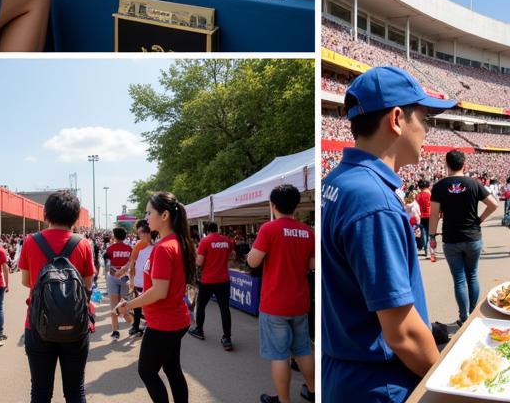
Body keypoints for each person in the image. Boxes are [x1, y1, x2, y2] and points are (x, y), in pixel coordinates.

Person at [321, 66, 457, 402]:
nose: (428, 129)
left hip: (346, 368)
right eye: (425, 118)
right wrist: (448, 386)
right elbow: (403, 333)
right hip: (378, 382)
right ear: (397, 118)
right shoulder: (373, 200)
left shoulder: (336, 182)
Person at [18, 190, 95, 403]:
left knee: (41, 392)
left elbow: (26, 281)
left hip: (37, 323)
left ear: (46, 214)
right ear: (74, 216)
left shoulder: (31, 241)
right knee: (75, 390)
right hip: (76, 324)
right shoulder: (83, 244)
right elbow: (88, 284)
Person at [119, 191, 195, 403]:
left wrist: (129, 304)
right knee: (172, 369)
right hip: (174, 319)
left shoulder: (164, 247)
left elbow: (159, 291)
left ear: (164, 216)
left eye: (149, 212)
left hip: (164, 323)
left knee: (147, 371)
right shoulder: (176, 242)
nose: (146, 217)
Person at [247, 184, 316, 403]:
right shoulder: (307, 231)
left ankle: (284, 400)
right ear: (296, 206)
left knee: (279, 355)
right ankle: (314, 392)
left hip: (275, 302)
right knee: (303, 349)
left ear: (273, 205)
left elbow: (253, 260)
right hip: (299, 300)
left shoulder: (269, 229)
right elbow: (312, 265)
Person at [429, 150, 498, 322]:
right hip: (473, 237)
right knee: (472, 275)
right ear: (464, 164)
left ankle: (463, 316)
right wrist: (479, 219)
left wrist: (431, 236)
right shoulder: (474, 184)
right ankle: (473, 314)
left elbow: (434, 215)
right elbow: (494, 204)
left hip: (451, 239)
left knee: (459, 280)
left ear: (447, 164)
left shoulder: (439, 186)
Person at [189, 221, 234, 348]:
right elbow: (231, 255)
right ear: (217, 229)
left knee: (201, 306)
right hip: (224, 279)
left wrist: (196, 254)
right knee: (224, 309)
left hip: (208, 280)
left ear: (206, 230)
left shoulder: (205, 241)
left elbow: (199, 262)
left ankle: (199, 330)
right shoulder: (227, 241)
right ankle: (227, 338)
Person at [105, 226, 134, 342]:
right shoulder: (130, 248)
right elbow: (132, 265)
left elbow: (107, 265)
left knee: (113, 305)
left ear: (115, 236)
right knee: (123, 304)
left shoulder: (110, 248)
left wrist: (114, 272)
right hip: (125, 278)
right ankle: (130, 322)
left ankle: (115, 332)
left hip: (113, 277)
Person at [128, 220, 154, 339]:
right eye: (139, 233)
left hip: (152, 283)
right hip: (139, 281)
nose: (141, 235)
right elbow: (132, 264)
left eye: (143, 232)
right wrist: (132, 281)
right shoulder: (137, 246)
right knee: (137, 306)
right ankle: (136, 326)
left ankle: (151, 327)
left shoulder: (157, 246)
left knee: (151, 306)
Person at [415, 179, 432, 258]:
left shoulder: (417, 196)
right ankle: (429, 251)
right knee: (430, 234)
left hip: (420, 216)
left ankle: (426, 250)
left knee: (424, 233)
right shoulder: (429, 195)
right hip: (429, 216)